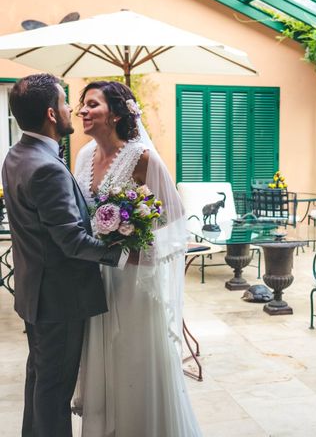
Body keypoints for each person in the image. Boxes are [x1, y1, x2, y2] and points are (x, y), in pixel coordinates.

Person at [72, 81, 202, 436]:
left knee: (132, 360)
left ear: (115, 114)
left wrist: (135, 252)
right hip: (94, 276)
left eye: (92, 104)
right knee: (104, 360)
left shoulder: (142, 157)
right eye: (82, 105)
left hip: (133, 282)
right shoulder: (84, 157)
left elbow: (174, 222)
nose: (82, 110)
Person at [1, 73, 125, 437]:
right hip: (60, 297)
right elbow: (71, 241)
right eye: (66, 101)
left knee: (39, 382)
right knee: (54, 392)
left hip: (35, 294)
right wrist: (121, 253)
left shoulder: (15, 155)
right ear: (53, 114)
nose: (73, 108)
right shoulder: (45, 168)